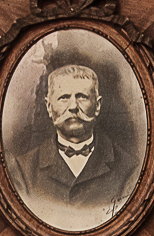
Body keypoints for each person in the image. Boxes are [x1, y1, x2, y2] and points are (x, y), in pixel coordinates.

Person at [11, 61, 137, 225]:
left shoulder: (129, 169)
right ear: (49, 107)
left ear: (97, 105)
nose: (73, 107)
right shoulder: (22, 169)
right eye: (64, 98)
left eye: (82, 97)